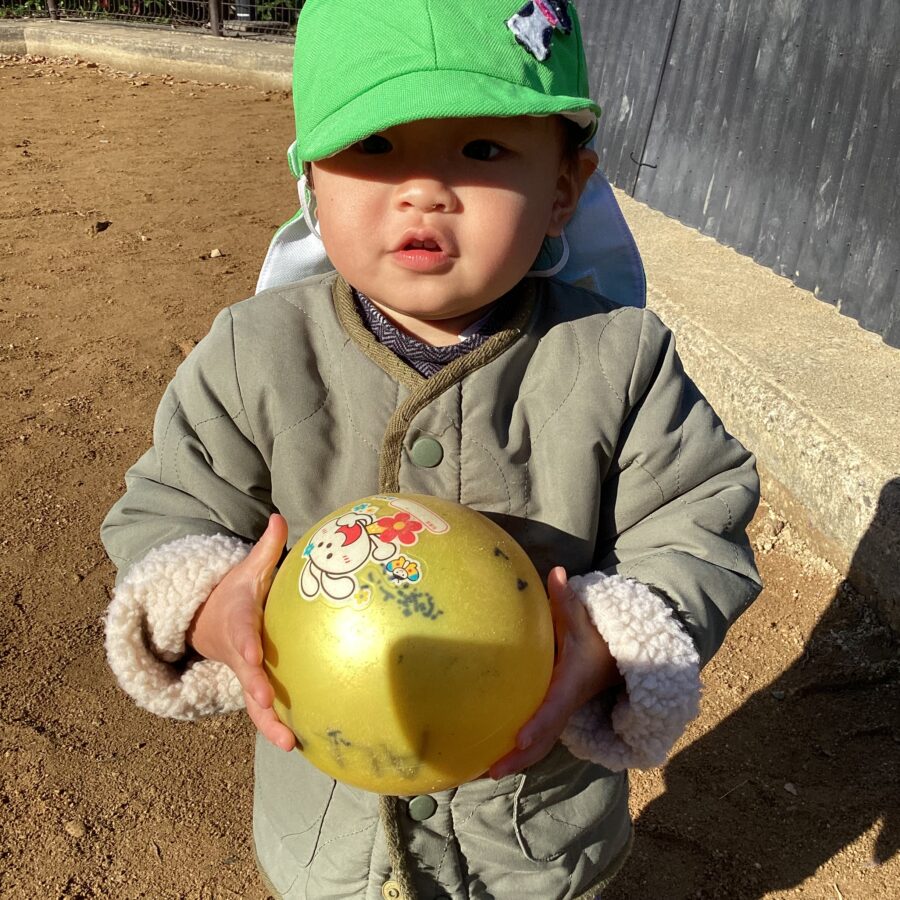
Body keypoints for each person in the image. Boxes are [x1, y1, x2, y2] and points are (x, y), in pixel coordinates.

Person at [101, 1, 762, 898]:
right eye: (374, 146)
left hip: (532, 832)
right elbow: (170, 504)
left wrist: (609, 641)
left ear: (564, 187)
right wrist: (210, 603)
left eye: (481, 150)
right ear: (309, 181)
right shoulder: (254, 353)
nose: (422, 191)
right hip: (331, 825)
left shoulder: (619, 360)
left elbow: (694, 521)